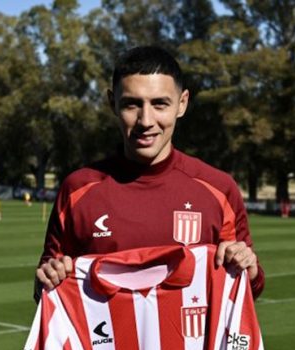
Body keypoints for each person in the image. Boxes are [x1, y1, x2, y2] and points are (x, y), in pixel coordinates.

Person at [34, 45, 264, 302]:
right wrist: (48, 276)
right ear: (112, 103)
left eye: (159, 104)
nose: (146, 120)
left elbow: (246, 290)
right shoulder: (77, 190)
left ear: (182, 104)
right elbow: (45, 290)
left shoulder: (219, 189)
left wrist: (250, 270)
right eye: (131, 104)